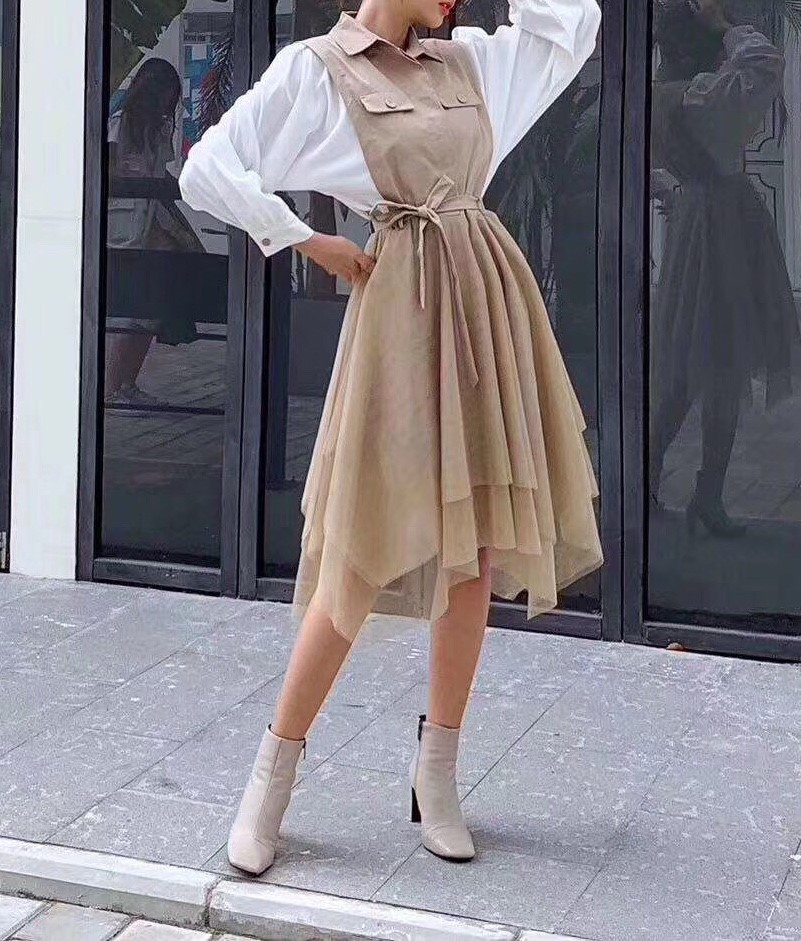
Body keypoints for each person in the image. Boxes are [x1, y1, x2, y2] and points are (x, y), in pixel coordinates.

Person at [179, 0, 603, 873]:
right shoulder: (316, 71)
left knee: (475, 551)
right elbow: (208, 167)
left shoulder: (473, 61)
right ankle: (271, 777)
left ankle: (437, 774)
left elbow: (573, 26)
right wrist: (304, 239)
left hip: (484, 307)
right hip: (400, 320)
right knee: (361, 549)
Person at [650, 0, 800, 536]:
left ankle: (661, 485)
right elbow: (764, 61)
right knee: (721, 363)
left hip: (697, 219)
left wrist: (671, 190)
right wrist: (723, 26)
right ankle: (705, 495)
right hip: (723, 224)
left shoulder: (662, 95)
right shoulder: (701, 96)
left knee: (692, 367)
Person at [106, 57, 204, 406]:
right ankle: (115, 386)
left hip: (152, 217)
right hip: (127, 221)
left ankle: (125, 383)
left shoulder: (158, 129)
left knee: (150, 308)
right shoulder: (121, 123)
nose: (167, 104)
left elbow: (160, 172)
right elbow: (107, 168)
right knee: (136, 308)